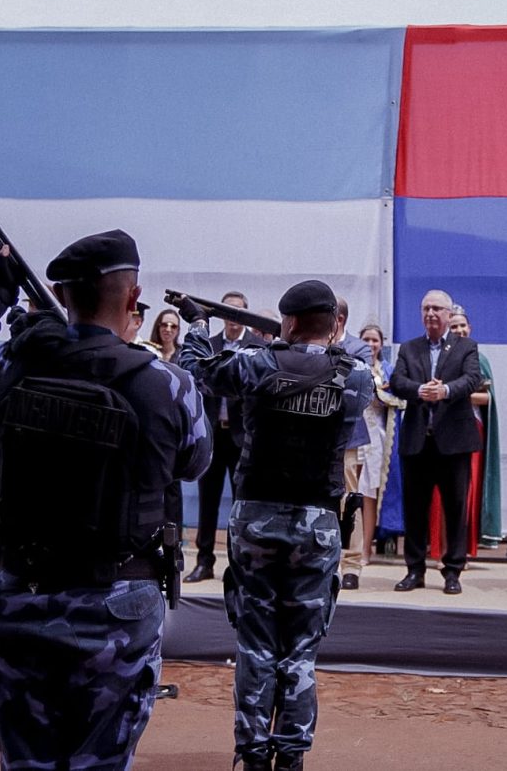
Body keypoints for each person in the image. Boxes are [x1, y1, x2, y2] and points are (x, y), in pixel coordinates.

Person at [0, 229, 212, 769]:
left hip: (18, 598)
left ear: (64, 295)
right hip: (116, 607)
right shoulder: (167, 384)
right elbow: (194, 462)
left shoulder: (11, 363)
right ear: (131, 297)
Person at [177, 279, 373, 771]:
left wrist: (198, 324)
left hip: (258, 517)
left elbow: (195, 369)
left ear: (287, 321)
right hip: (318, 523)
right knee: (301, 650)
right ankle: (291, 755)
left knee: (255, 643)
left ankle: (252, 752)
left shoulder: (259, 363)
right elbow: (338, 365)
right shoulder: (356, 375)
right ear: (334, 325)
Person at [389, 289, 482, 595]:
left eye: (436, 309)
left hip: (454, 443)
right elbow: (398, 382)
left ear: (447, 314)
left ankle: (452, 570)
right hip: (418, 442)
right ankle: (414, 570)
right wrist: (420, 391)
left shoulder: (466, 346)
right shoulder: (409, 348)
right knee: (415, 509)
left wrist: (445, 392)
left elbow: (471, 379)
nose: (430, 314)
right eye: (425, 308)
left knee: (455, 509)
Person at [184, 290, 265, 584]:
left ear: (245, 314)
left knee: (242, 504)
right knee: (208, 500)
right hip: (212, 434)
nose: (232, 317)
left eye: (237, 311)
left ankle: (239, 563)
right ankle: (204, 561)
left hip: (243, 437)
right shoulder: (209, 344)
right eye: (227, 311)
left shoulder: (256, 346)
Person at [443, 305, 502, 553]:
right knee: (442, 494)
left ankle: (461, 550)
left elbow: (487, 399)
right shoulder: (439, 358)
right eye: (453, 326)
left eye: (462, 325)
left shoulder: (479, 359)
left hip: (471, 429)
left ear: (470, 328)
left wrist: (454, 393)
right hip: (444, 430)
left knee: (466, 491)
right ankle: (442, 549)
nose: (458, 330)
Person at [353, 323, 406, 568]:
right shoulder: (352, 366)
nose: (371, 344)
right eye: (367, 339)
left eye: (375, 340)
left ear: (381, 344)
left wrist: (380, 394)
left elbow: (399, 399)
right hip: (352, 434)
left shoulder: (388, 371)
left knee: (368, 496)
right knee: (350, 494)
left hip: (376, 440)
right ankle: (347, 548)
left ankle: (366, 550)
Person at [333, 297, 374, 590]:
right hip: (314, 436)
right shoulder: (311, 341)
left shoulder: (359, 348)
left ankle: (351, 564)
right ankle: (326, 558)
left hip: (346, 436)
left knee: (349, 498)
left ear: (340, 319)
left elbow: (356, 385)